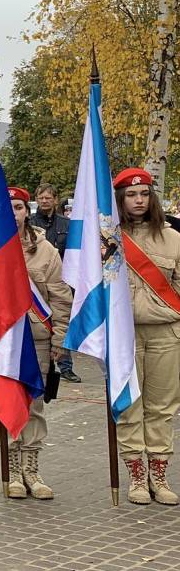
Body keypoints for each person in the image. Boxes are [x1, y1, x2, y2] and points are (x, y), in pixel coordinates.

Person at [0, 187, 71, 499]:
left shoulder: (46, 250)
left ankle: (31, 469)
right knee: (5, 403)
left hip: (36, 338)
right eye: (7, 207)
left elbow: (61, 297)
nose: (13, 213)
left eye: (19, 207)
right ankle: (10, 470)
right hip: (1, 342)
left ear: (28, 211)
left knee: (33, 405)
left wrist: (59, 338)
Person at [114, 167, 180, 505]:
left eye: (144, 194)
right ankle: (136, 476)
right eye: (130, 195)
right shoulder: (108, 238)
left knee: (162, 408)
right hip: (123, 336)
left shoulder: (173, 238)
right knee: (129, 407)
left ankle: (159, 473)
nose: (138, 201)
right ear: (121, 200)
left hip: (166, 333)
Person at [30, 183, 79, 384]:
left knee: (61, 321)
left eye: (48, 198)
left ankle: (66, 366)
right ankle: (42, 367)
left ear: (55, 200)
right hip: (37, 285)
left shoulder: (67, 224)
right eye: (41, 198)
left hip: (62, 279)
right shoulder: (30, 223)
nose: (44, 201)